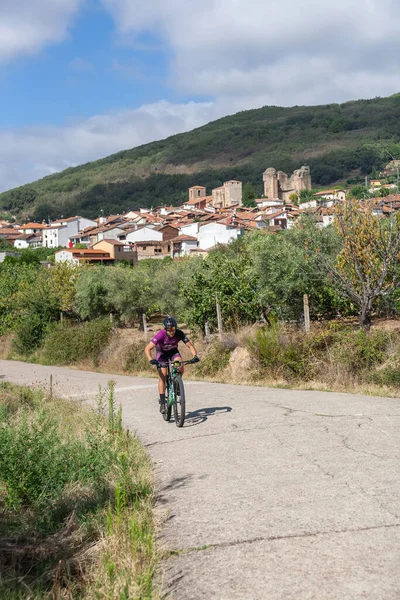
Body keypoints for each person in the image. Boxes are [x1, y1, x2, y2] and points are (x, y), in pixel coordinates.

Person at [144, 316, 199, 413]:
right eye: (169, 329)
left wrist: (195, 356)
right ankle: (162, 402)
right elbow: (147, 348)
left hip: (173, 352)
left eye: (173, 328)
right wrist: (150, 359)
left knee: (180, 365)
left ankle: (177, 383)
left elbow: (190, 346)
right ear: (165, 329)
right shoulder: (160, 335)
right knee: (163, 375)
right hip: (162, 355)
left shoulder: (179, 333)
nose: (171, 331)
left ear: (175, 327)